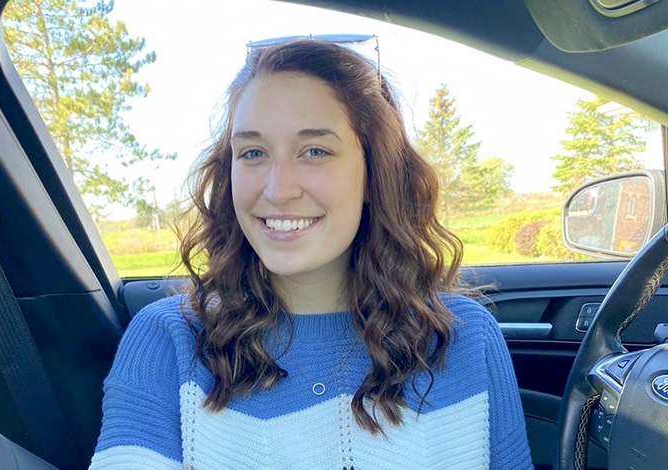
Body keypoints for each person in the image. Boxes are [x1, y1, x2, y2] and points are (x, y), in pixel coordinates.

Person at [89, 39, 533, 470]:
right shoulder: (168, 341)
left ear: (375, 174)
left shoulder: (466, 339)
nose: (278, 190)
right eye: (253, 152)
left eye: (315, 151)